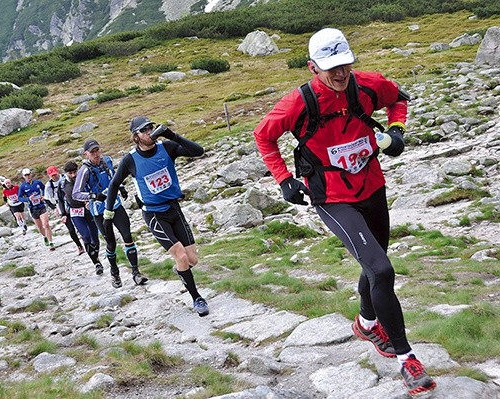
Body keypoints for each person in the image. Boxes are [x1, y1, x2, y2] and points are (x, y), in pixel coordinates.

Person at [253, 28, 435, 396]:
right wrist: (285, 180)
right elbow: (263, 136)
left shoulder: (368, 85)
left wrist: (397, 131)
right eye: (331, 67)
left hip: (371, 184)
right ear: (313, 67)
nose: (340, 73)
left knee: (375, 264)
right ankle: (407, 359)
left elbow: (398, 99)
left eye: (345, 65)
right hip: (331, 195)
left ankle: (367, 323)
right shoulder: (298, 103)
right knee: (381, 269)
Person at [103, 116, 208, 317]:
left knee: (192, 260)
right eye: (144, 130)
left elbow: (198, 151)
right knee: (181, 255)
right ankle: (197, 298)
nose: (150, 132)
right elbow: (114, 184)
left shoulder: (167, 148)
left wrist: (171, 135)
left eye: (151, 128)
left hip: (174, 209)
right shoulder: (130, 160)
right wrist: (108, 213)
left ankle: (182, 270)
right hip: (153, 213)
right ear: (136, 136)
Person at [72, 139, 148, 288]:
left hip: (115, 204)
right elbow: (76, 193)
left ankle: (136, 273)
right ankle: (115, 273)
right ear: (86, 154)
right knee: (111, 243)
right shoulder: (84, 170)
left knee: (127, 236)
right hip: (99, 210)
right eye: (92, 152)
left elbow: (114, 177)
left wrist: (121, 188)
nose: (96, 154)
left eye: (97, 150)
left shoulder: (106, 161)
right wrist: (93, 196)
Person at [57, 161, 104, 272]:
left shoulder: (84, 177)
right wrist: (63, 213)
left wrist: (91, 201)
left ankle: (95, 256)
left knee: (95, 238)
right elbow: (59, 199)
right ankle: (96, 263)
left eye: (75, 172)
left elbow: (92, 190)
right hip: (75, 212)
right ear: (66, 173)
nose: (73, 175)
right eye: (70, 173)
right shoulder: (62, 183)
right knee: (86, 236)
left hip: (88, 210)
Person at [45, 165, 84, 255]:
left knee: (80, 225)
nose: (54, 177)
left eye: (55, 174)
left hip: (73, 204)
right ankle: (79, 246)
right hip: (62, 207)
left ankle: (87, 241)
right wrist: (54, 208)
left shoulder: (65, 178)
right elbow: (47, 199)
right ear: (49, 176)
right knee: (71, 229)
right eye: (52, 176)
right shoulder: (48, 185)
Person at [17, 168, 55, 251]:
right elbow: (19, 198)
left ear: (31, 174)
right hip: (32, 209)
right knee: (40, 227)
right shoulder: (23, 187)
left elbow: (45, 189)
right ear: (23, 177)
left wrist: (43, 196)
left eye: (29, 174)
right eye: (26, 175)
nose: (28, 176)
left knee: (46, 224)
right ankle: (44, 236)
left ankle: (51, 242)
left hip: (41, 206)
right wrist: (28, 199)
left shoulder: (37, 182)